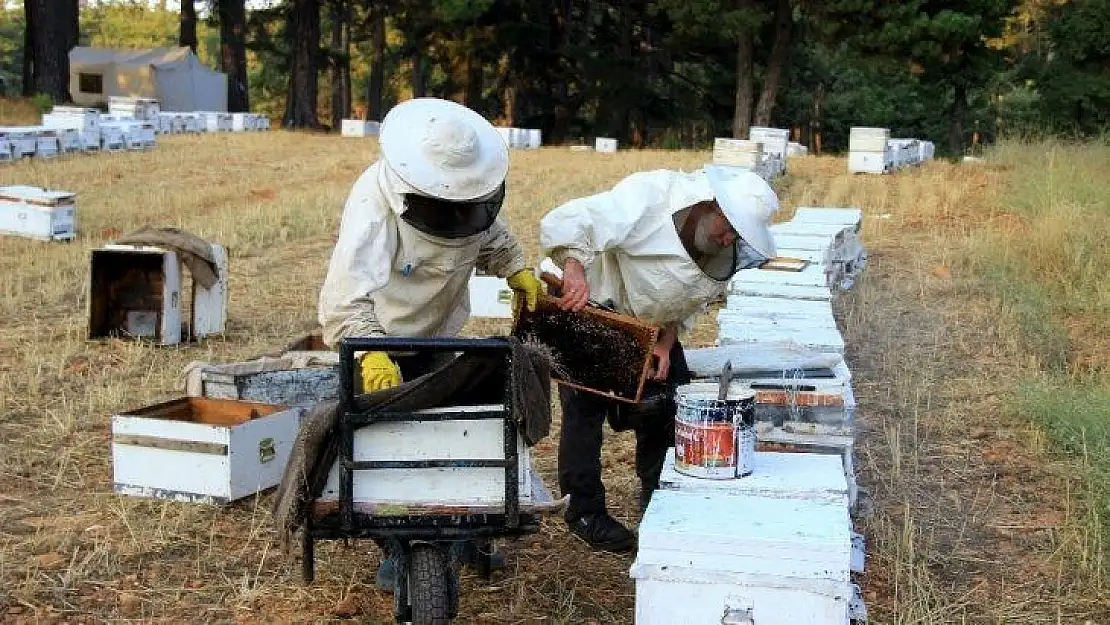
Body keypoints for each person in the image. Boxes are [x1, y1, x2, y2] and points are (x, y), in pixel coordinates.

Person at [539, 164, 780, 552]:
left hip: (649, 328)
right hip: (591, 304)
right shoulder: (650, 196)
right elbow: (574, 219)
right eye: (728, 227)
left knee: (669, 404)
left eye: (738, 235)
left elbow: (687, 299)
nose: (728, 239)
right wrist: (574, 270)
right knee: (585, 410)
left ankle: (661, 500)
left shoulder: (725, 250)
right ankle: (584, 511)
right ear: (710, 206)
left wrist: (665, 341)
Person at [317, 96, 543, 389]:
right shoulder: (373, 205)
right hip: (381, 340)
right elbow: (344, 295)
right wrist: (369, 349)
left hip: (437, 339)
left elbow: (483, 228)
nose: (458, 209)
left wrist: (513, 267)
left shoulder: (467, 198)